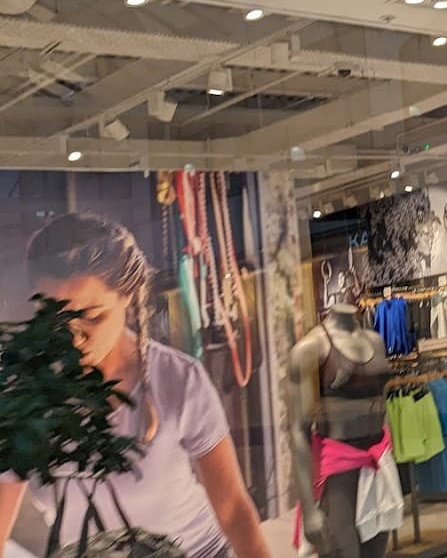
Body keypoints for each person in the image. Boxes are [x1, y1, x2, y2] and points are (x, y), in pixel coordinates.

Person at [0, 213, 271, 558]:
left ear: (127, 295)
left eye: (93, 317)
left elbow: (232, 509)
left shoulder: (178, 379)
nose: (72, 339)